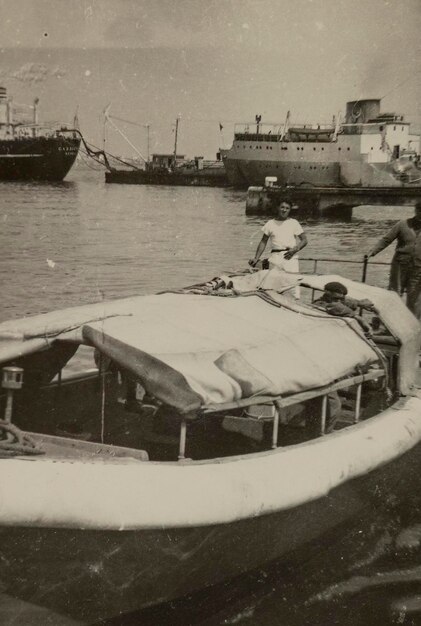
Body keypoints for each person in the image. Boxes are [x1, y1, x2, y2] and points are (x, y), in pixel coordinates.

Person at [367, 202, 421, 313]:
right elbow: (386, 239)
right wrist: (372, 252)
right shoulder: (402, 224)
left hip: (418, 268)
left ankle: (413, 326)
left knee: (415, 297)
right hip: (400, 265)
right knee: (394, 294)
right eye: (420, 211)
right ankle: (390, 323)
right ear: (416, 211)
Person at [249, 200, 307, 273]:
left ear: (290, 210)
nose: (284, 210)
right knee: (274, 281)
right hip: (275, 258)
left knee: (291, 281)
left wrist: (295, 249)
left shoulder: (294, 223)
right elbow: (263, 241)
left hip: (290, 257)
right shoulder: (270, 223)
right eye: (282, 207)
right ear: (278, 208)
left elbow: (304, 240)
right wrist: (256, 258)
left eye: (287, 208)